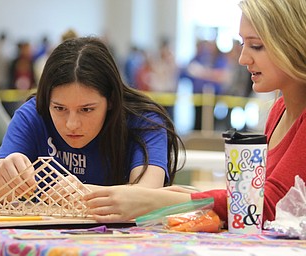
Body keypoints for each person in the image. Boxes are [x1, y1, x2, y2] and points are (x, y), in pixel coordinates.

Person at [82, 0, 306, 225]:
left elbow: (268, 205)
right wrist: (176, 196)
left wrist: (157, 200)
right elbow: (255, 200)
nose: (243, 58)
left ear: (292, 43)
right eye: (242, 44)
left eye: (256, 45)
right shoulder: (279, 110)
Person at [0, 37, 184, 200]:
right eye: (59, 108)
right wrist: (5, 171)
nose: (72, 124)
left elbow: (147, 195)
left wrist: (84, 193)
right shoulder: (32, 115)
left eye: (87, 110)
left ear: (112, 100)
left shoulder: (145, 122)